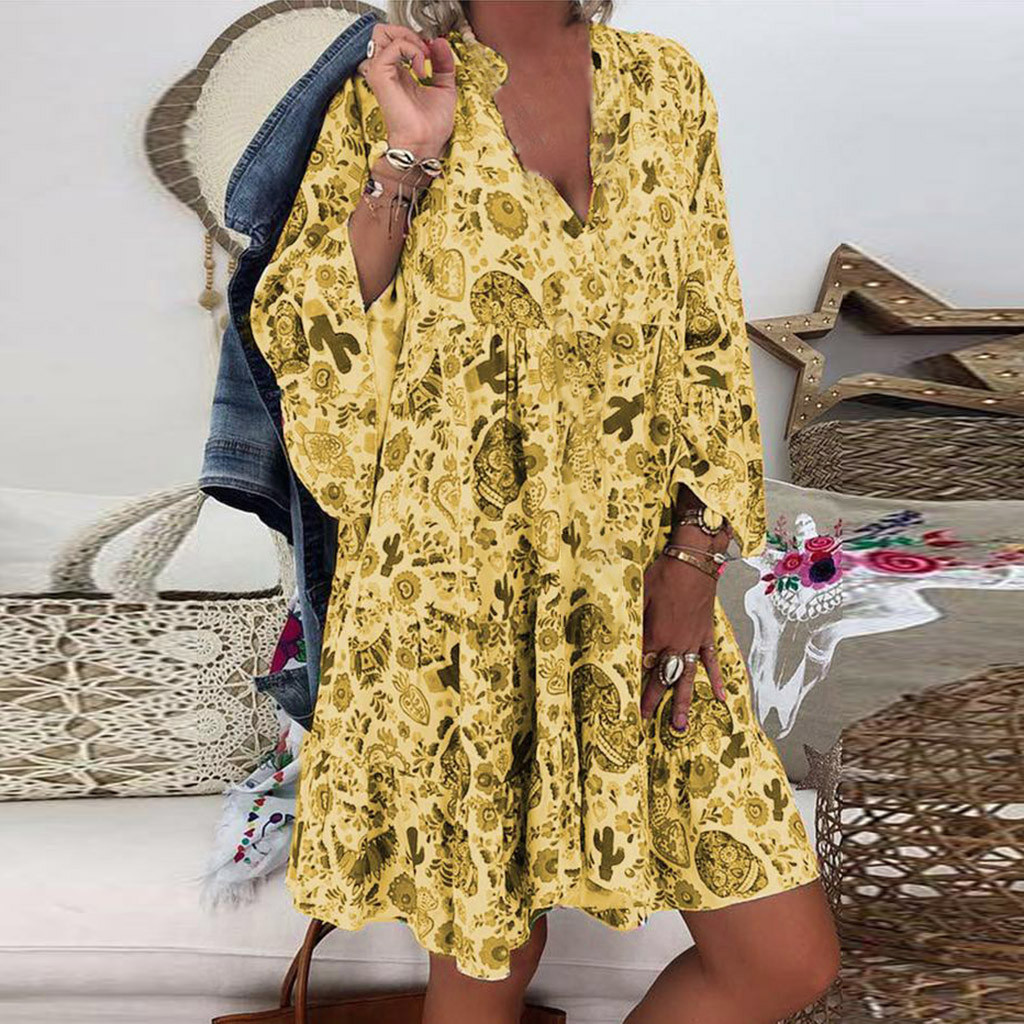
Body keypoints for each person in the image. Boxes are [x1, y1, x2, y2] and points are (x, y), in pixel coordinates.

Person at [248, 1, 841, 1021]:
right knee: (491, 958)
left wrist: (696, 555)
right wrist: (410, 152)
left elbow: (706, 334)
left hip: (637, 591)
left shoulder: (666, 83)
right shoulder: (386, 89)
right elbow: (320, 351)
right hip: (454, 599)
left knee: (781, 960)